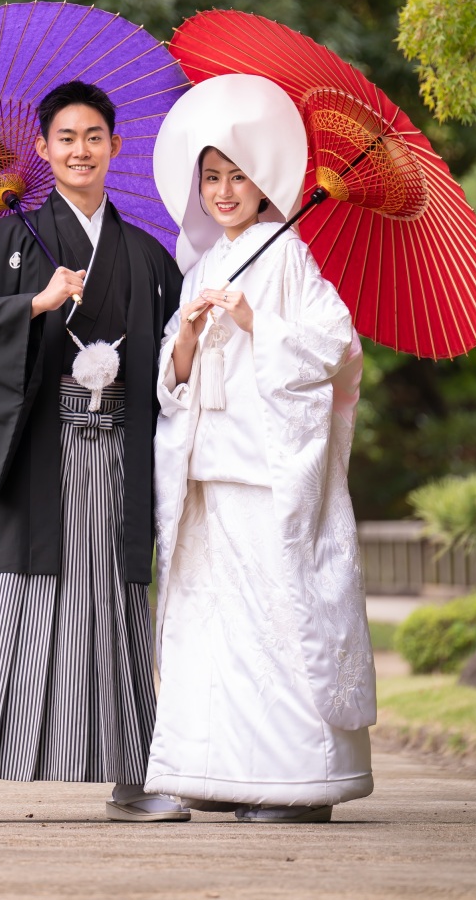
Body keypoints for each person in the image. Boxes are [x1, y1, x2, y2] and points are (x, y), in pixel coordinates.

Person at [0, 79, 188, 823]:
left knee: (114, 602)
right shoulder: (1, 244)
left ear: (115, 147)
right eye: (66, 138)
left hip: (116, 451)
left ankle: (132, 777)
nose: (80, 150)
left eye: (94, 137)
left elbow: (175, 356)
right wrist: (34, 305)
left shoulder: (147, 256)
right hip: (33, 448)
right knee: (8, 597)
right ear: (43, 149)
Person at [144, 74, 376, 823]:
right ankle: (218, 767)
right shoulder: (203, 264)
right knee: (214, 627)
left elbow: (335, 346)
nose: (222, 191)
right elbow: (173, 385)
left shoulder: (289, 255)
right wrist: (181, 341)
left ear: (262, 179)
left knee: (279, 619)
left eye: (237, 175)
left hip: (266, 471)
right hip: (208, 472)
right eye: (209, 177)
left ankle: (296, 783)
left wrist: (254, 322)